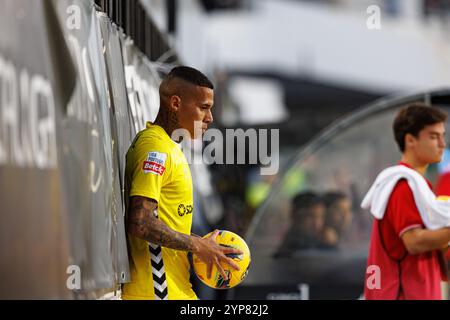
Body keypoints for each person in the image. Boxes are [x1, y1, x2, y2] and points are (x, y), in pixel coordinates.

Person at [121, 66, 241, 300]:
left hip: (176, 289)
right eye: (203, 108)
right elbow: (141, 223)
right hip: (157, 293)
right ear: (175, 104)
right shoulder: (156, 149)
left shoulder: (168, 146)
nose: (210, 118)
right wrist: (198, 245)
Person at [364, 103, 450, 300]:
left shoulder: (418, 184)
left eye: (442, 136)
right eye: (433, 136)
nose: (442, 144)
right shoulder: (403, 185)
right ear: (410, 140)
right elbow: (414, 242)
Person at [274, 191, 326, 257]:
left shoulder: (315, 240)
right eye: (310, 216)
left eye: (321, 217)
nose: (317, 223)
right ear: (295, 215)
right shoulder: (294, 245)